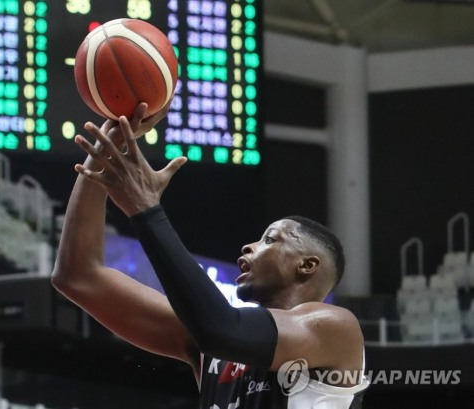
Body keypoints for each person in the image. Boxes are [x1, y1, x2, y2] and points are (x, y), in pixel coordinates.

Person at [51, 102, 370, 409]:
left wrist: (146, 210)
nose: (249, 247)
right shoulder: (216, 345)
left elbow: (221, 329)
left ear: (307, 265)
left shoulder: (335, 328)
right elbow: (78, 277)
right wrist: (106, 148)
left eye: (270, 239)